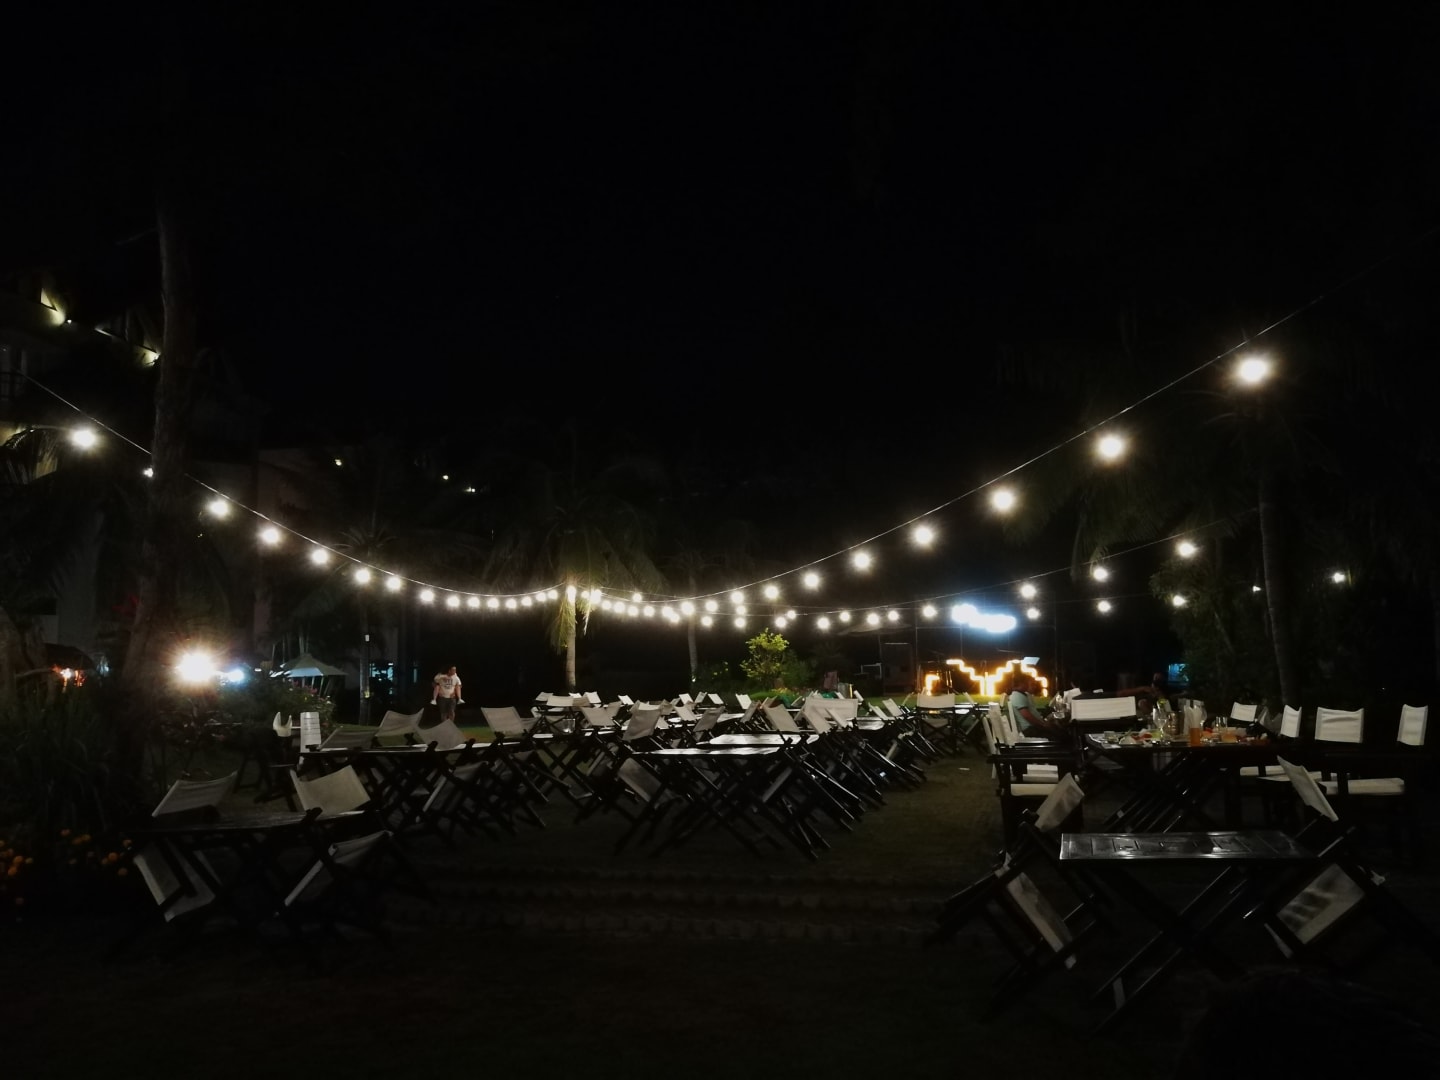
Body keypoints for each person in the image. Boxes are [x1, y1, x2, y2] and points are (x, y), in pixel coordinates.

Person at [1006, 673, 1067, 740]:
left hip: (1033, 728)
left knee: (1059, 731)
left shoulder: (1021, 695)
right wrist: (1043, 725)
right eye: (1026, 682)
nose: (1028, 684)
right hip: (1030, 730)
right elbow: (1027, 716)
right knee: (1061, 735)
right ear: (1022, 683)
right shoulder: (1017, 696)